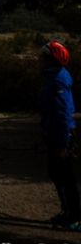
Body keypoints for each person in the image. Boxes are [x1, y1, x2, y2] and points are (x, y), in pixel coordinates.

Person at [40, 40, 80, 231]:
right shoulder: (52, 76)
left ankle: (75, 216)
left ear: (51, 58)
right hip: (53, 132)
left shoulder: (58, 79)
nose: (40, 58)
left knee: (66, 176)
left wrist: (64, 142)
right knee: (56, 173)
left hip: (61, 135)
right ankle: (67, 211)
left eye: (44, 56)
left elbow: (63, 112)